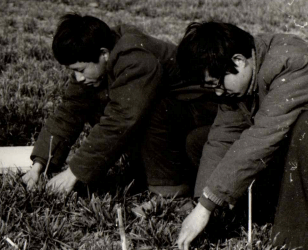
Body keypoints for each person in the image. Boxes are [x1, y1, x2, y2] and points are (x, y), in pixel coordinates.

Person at [174, 21, 308, 250]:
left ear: (238, 61)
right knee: (199, 141)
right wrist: (203, 204)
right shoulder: (243, 76)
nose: (217, 93)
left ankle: (299, 247)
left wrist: (207, 204)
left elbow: (262, 137)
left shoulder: (292, 64)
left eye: (217, 85)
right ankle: (256, 211)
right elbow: (223, 137)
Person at [21, 14, 217, 197]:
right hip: (176, 117)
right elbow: (69, 111)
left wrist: (74, 172)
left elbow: (120, 120)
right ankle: (147, 170)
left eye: (80, 69)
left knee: (146, 109)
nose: (78, 78)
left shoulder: (134, 58)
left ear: (103, 54)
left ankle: (169, 192)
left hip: (204, 113)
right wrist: (40, 164)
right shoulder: (96, 50)